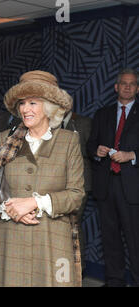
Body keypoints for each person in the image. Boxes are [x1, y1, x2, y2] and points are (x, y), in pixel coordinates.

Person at [0, 70, 85, 287]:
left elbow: (76, 195)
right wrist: (7, 208)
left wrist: (35, 202)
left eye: (33, 103)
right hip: (8, 239)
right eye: (22, 103)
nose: (25, 109)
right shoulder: (4, 139)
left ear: (49, 107)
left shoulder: (68, 141)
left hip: (51, 241)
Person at [86, 68, 139, 287]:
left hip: (133, 187)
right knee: (110, 240)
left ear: (137, 88)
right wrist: (96, 151)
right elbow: (90, 145)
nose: (127, 87)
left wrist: (132, 155)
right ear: (116, 87)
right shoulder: (102, 113)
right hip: (106, 186)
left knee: (135, 242)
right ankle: (114, 281)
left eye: (132, 83)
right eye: (123, 83)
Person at [61, 110, 92, 271]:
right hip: (57, 183)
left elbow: (91, 151)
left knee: (73, 223)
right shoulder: (50, 122)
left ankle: (78, 268)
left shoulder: (83, 122)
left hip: (79, 182)